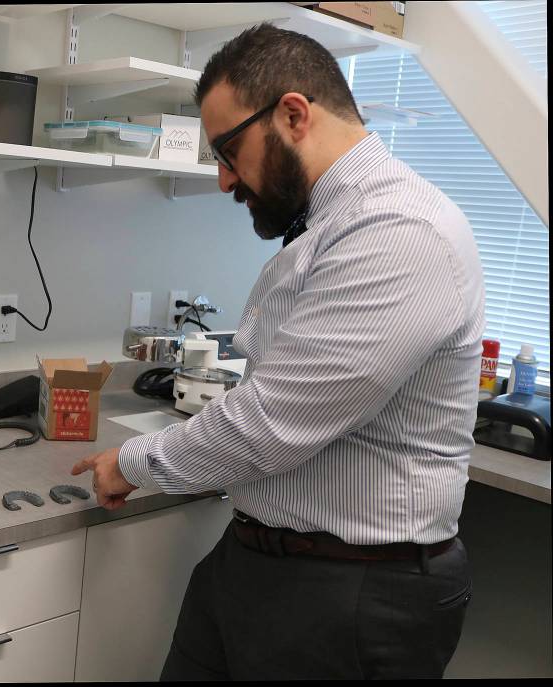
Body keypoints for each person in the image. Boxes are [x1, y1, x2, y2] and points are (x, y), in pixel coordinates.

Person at [71, 23, 483, 680]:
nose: (224, 180)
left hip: (351, 590)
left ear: (293, 115)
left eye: (229, 151)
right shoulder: (329, 226)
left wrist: (132, 462)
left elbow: (271, 422)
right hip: (257, 560)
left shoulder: (400, 231)